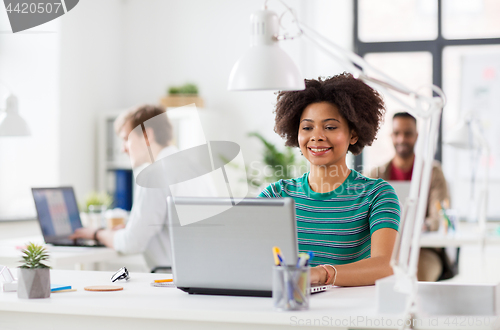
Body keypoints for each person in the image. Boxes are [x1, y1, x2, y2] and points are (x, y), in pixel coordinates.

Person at [259, 73, 400, 287]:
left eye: (330, 127)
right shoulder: (276, 195)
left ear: (353, 134)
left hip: (350, 313)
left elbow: (385, 266)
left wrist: (322, 274)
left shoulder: (377, 195)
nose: (316, 136)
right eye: (307, 127)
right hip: (289, 304)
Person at [71, 105, 215, 270]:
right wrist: (131, 225)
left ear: (147, 135)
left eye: (126, 139)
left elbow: (132, 243)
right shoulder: (194, 167)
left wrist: (97, 234)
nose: (123, 148)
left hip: (173, 278)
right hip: (203, 272)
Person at [367, 112, 451, 282]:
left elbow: (440, 215)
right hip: (387, 249)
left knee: (415, 274)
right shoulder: (376, 174)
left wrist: (423, 225)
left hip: (423, 249)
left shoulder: (433, 173)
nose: (402, 139)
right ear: (391, 136)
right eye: (397, 133)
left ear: (416, 136)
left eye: (408, 133)